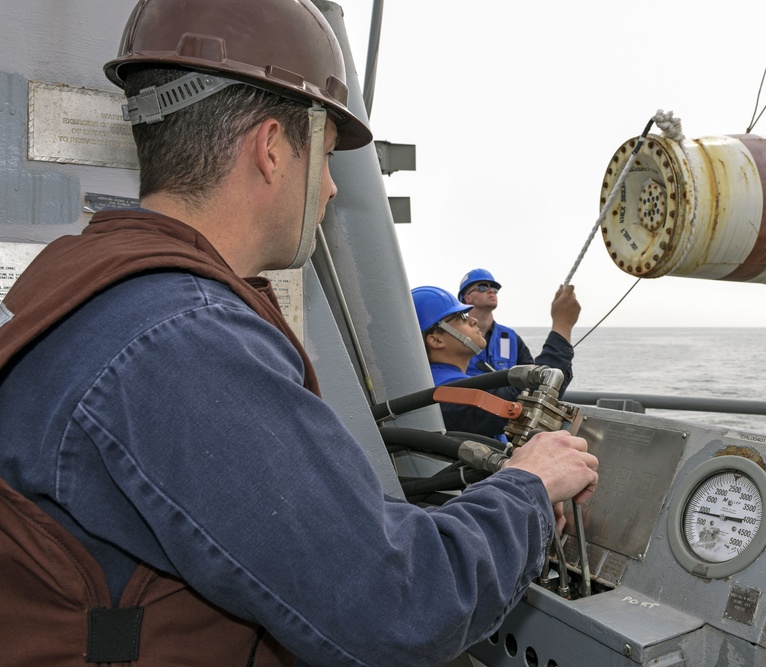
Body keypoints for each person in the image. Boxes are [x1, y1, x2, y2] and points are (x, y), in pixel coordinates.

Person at [0, 1, 599, 665]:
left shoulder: (95, 286)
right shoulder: (186, 343)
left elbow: (327, 535)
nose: (335, 190)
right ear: (273, 149)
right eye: (329, 155)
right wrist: (529, 488)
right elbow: (397, 605)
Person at [413, 285, 575, 439]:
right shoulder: (443, 392)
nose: (473, 320)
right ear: (436, 340)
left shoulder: (433, 384)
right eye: (461, 317)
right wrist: (562, 327)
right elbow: (524, 402)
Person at [457, 268, 580, 377]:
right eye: (482, 287)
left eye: (494, 288)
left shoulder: (510, 337)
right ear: (467, 298)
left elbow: (532, 376)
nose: (491, 291)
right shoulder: (455, 338)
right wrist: (563, 326)